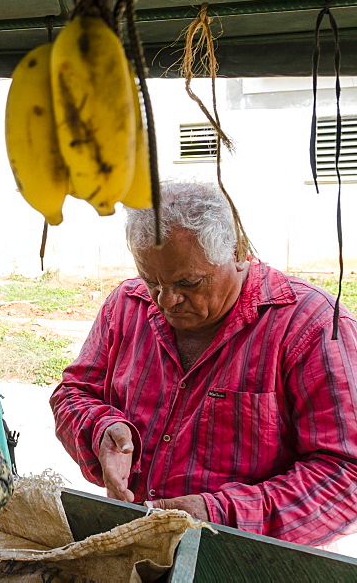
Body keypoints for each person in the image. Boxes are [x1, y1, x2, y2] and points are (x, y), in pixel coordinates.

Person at [50, 181, 357, 546]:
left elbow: (346, 477)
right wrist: (101, 429)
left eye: (189, 282)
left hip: (246, 561)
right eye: (152, 280)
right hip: (135, 546)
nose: (167, 299)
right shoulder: (127, 304)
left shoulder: (312, 324)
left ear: (238, 252)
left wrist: (216, 516)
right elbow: (72, 393)